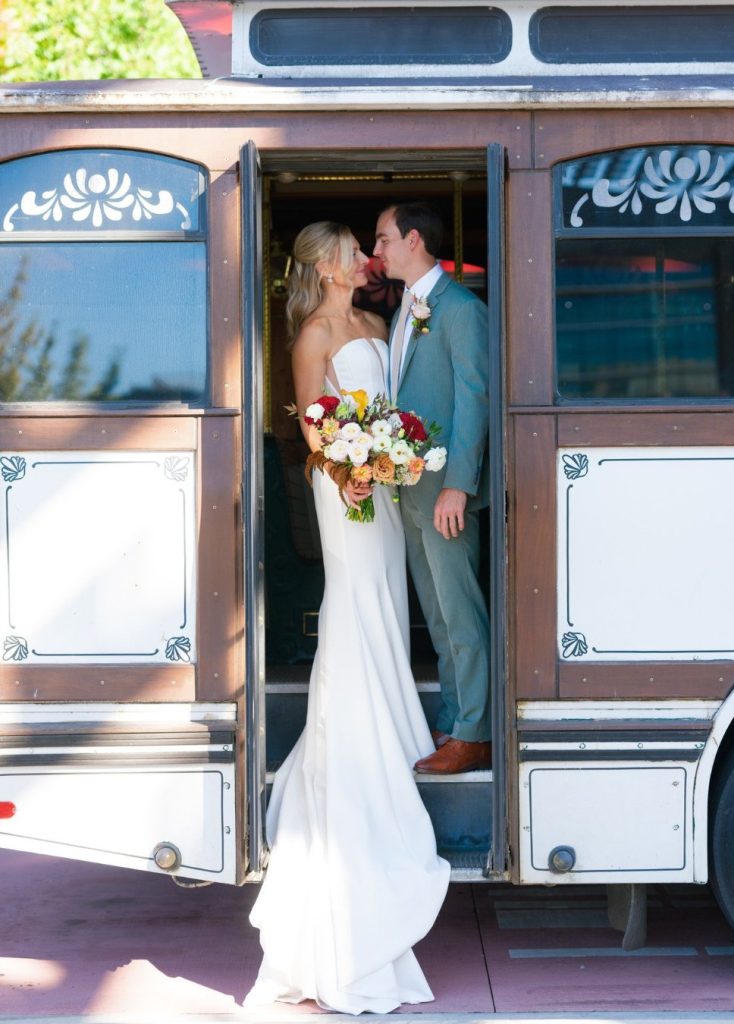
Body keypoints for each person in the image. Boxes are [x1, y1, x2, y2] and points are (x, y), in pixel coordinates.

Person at [244, 222, 450, 1015]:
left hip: (383, 482)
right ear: (325, 266)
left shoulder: (371, 319)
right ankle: (356, 721)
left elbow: (384, 403)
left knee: (386, 599)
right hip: (345, 489)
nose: (363, 258)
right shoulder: (315, 331)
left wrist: (388, 455)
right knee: (355, 593)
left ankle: (386, 704)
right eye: (350, 251)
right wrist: (352, 467)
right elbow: (308, 424)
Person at [373, 202, 491, 775]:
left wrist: (459, 488)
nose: (379, 251)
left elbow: (475, 399)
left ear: (414, 239)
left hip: (445, 493)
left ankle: (475, 732)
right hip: (410, 490)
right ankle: (454, 719)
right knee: (439, 619)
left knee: (460, 612)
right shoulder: (407, 309)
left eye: (384, 239)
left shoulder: (462, 309)